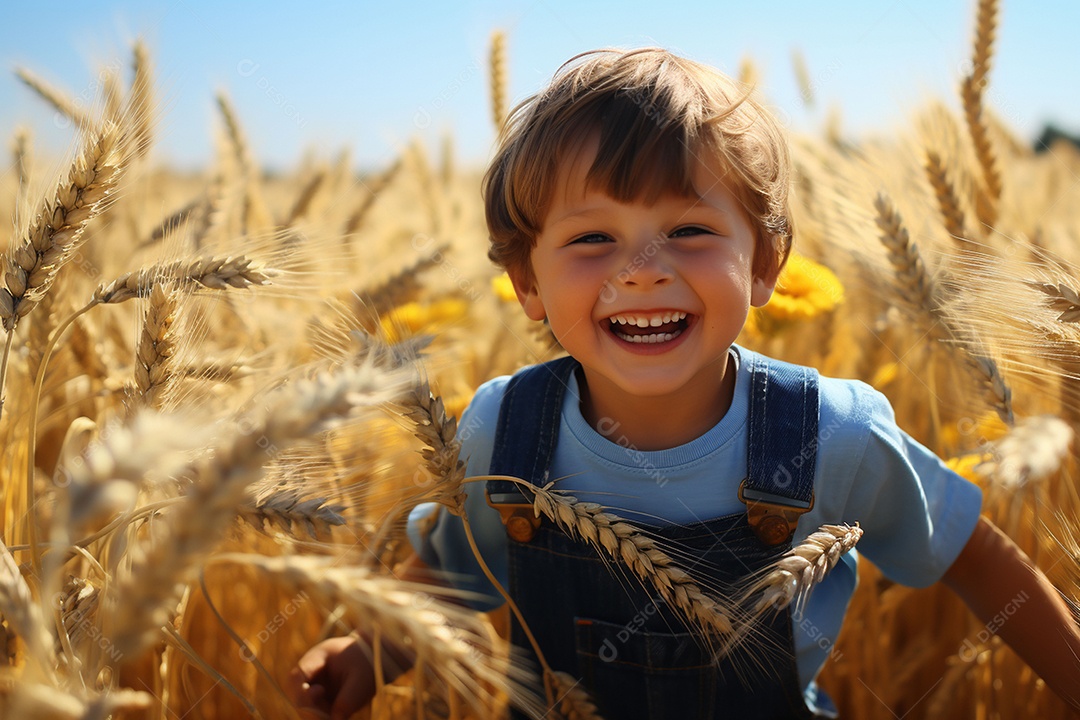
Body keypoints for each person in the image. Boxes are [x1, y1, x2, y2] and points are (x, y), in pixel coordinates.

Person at [291, 48, 1080, 718]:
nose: (643, 272)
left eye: (689, 231)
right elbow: (454, 574)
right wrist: (364, 652)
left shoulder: (829, 432)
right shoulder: (504, 429)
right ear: (526, 282)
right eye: (593, 238)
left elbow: (974, 556)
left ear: (766, 263)